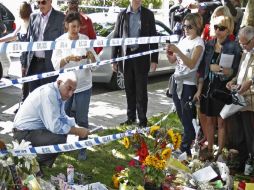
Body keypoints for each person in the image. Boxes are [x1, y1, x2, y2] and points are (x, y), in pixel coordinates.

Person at [13, 72, 90, 169]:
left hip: (29, 132)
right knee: (59, 138)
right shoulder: (50, 94)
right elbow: (55, 126)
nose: (70, 94)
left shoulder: (57, 92)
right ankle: (31, 164)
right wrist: (77, 131)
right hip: (23, 134)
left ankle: (34, 164)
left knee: (62, 134)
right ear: (59, 83)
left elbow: (62, 117)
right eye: (69, 88)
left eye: (73, 91)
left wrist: (77, 127)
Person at [52, 12, 98, 160]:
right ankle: (61, 146)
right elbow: (55, 66)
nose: (75, 30)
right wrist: (67, 58)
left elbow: (95, 65)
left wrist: (91, 58)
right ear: (66, 25)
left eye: (78, 27)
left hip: (84, 85)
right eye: (73, 26)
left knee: (82, 118)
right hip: (65, 86)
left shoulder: (85, 40)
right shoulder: (59, 41)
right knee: (63, 117)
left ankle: (82, 148)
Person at [199, 15, 241, 160]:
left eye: (222, 28)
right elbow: (203, 68)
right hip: (208, 86)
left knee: (221, 121)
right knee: (209, 119)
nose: (218, 31)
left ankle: (219, 153)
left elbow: (236, 70)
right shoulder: (209, 44)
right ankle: (210, 149)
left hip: (223, 87)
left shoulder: (234, 46)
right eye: (216, 27)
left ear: (229, 29)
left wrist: (225, 71)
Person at [112, 0, 158, 128]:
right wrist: (114, 59)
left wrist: (154, 59)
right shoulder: (122, 15)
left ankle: (142, 121)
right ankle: (130, 118)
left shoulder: (148, 14)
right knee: (129, 90)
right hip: (126, 58)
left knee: (141, 92)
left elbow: (153, 36)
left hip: (142, 58)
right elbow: (116, 37)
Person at [166, 13, 205, 155]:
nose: (186, 29)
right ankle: (191, 138)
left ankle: (185, 147)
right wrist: (169, 53)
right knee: (181, 114)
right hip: (177, 80)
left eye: (190, 26)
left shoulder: (199, 43)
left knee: (188, 114)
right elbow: (173, 61)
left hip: (189, 83)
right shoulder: (183, 39)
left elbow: (191, 63)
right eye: (184, 26)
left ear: (197, 27)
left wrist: (178, 51)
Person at [22, 0, 65, 92]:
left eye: (43, 2)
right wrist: (24, 63)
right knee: (34, 97)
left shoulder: (60, 17)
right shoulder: (33, 17)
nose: (41, 5)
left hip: (51, 65)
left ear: (50, 1)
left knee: (48, 96)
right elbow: (28, 41)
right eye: (38, 2)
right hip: (34, 64)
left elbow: (64, 42)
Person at [226, 26, 254, 157]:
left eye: (245, 43)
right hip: (241, 99)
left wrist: (249, 82)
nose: (243, 47)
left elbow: (250, 79)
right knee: (241, 134)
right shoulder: (245, 53)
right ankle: (245, 161)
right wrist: (233, 81)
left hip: (251, 102)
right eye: (241, 44)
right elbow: (240, 73)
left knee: (251, 134)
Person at [0, 2, 32, 111]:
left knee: (29, 83)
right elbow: (13, 36)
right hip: (24, 57)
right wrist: (1, 40)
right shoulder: (22, 23)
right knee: (25, 82)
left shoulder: (33, 22)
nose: (18, 12)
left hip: (32, 58)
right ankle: (23, 105)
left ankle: (26, 106)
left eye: (19, 9)